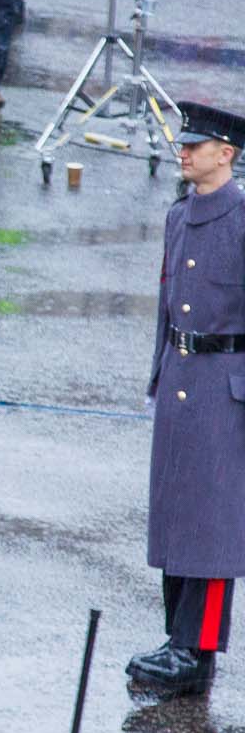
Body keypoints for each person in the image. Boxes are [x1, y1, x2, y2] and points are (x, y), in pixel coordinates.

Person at [128, 101, 245, 697]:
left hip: (227, 384)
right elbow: (166, 307)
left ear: (226, 154)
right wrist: (158, 375)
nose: (184, 151)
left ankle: (196, 649)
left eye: (196, 146)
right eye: (184, 143)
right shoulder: (180, 215)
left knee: (214, 529)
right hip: (181, 374)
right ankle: (180, 642)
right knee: (176, 518)